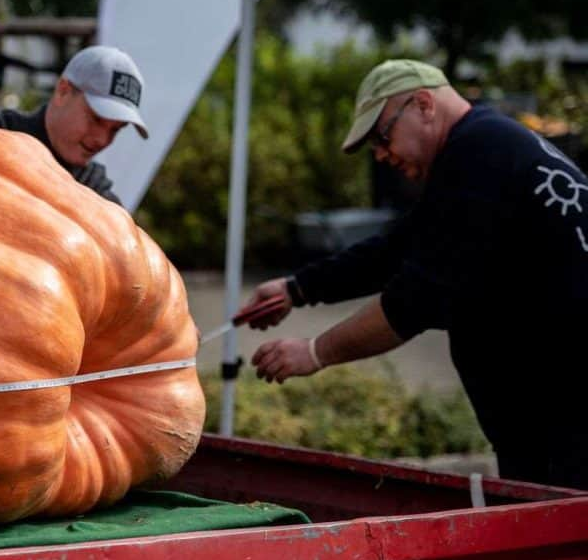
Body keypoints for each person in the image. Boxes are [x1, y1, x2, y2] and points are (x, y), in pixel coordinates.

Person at [237, 59, 588, 490]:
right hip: (549, 424)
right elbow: (397, 247)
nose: (383, 156)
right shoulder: (483, 149)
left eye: (382, 138)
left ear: (423, 104)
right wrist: (297, 288)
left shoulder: (481, 152)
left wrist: (315, 352)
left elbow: (415, 299)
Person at [0, 45, 149, 205]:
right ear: (63, 91)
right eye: (96, 119)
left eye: (116, 129)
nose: (102, 139)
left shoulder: (96, 190)